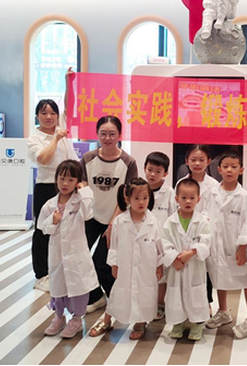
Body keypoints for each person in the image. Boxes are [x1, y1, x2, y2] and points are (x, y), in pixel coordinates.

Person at [89, 178, 163, 339]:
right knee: (118, 294)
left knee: (144, 294)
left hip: (146, 267)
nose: (141, 202)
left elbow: (158, 246)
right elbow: (114, 245)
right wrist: (114, 265)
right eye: (136, 198)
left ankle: (141, 323)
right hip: (125, 265)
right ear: (127, 199)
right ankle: (107, 321)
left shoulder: (153, 221)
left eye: (145, 198)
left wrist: (159, 266)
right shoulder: (119, 221)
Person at [27, 68, 79, 292]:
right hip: (47, 187)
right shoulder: (35, 138)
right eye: (44, 113)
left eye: (52, 113)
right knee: (43, 230)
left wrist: (68, 82)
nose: (49, 117)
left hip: (68, 187)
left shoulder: (62, 126)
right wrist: (56, 140)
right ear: (37, 116)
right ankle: (41, 274)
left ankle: (60, 269)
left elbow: (70, 104)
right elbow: (44, 159)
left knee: (67, 228)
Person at [80, 115, 138, 314]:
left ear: (119, 135)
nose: (107, 138)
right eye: (103, 134)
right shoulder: (87, 159)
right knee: (80, 258)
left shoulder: (128, 162)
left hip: (116, 218)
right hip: (90, 217)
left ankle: (117, 299)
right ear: (97, 134)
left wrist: (113, 223)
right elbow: (82, 186)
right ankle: (95, 296)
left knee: (103, 263)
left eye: (112, 134)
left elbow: (127, 196)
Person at [38, 160, 98, 339]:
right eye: (62, 178)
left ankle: (76, 320)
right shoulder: (50, 205)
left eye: (71, 180)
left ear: (78, 182)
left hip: (76, 253)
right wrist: (53, 221)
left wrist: (85, 190)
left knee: (78, 287)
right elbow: (42, 227)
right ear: (56, 178)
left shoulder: (80, 201)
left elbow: (88, 214)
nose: (65, 183)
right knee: (58, 287)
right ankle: (59, 317)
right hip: (57, 254)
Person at [205, 151, 247, 339]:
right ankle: (223, 311)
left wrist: (242, 247)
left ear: (241, 170)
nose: (229, 170)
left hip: (236, 247)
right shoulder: (212, 193)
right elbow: (205, 215)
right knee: (219, 277)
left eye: (234, 167)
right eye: (225, 166)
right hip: (216, 245)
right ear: (219, 169)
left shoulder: (243, 196)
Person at [161, 178, 212, 341]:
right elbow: (164, 242)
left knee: (196, 294)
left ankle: (197, 324)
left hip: (195, 266)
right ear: (176, 199)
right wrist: (173, 258)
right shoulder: (170, 222)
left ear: (199, 199)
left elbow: (206, 242)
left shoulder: (202, 221)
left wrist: (191, 253)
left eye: (192, 198)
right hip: (176, 267)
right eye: (183, 198)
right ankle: (178, 323)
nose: (188, 201)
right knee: (176, 294)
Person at [177, 144, 218, 307]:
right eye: (193, 159)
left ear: (208, 161)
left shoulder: (214, 185)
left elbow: (213, 211)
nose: (197, 163)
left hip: (204, 231)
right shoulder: (181, 183)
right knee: (186, 268)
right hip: (184, 229)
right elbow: (177, 207)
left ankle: (206, 302)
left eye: (201, 160)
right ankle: (184, 303)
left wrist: (199, 223)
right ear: (187, 161)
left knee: (204, 269)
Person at [144, 151, 176, 320]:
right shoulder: (140, 189)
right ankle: (146, 303)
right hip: (143, 241)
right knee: (144, 273)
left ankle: (160, 304)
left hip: (162, 242)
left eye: (157, 171)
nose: (152, 174)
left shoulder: (169, 192)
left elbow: (173, 217)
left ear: (165, 173)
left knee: (161, 276)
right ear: (144, 169)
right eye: (150, 170)